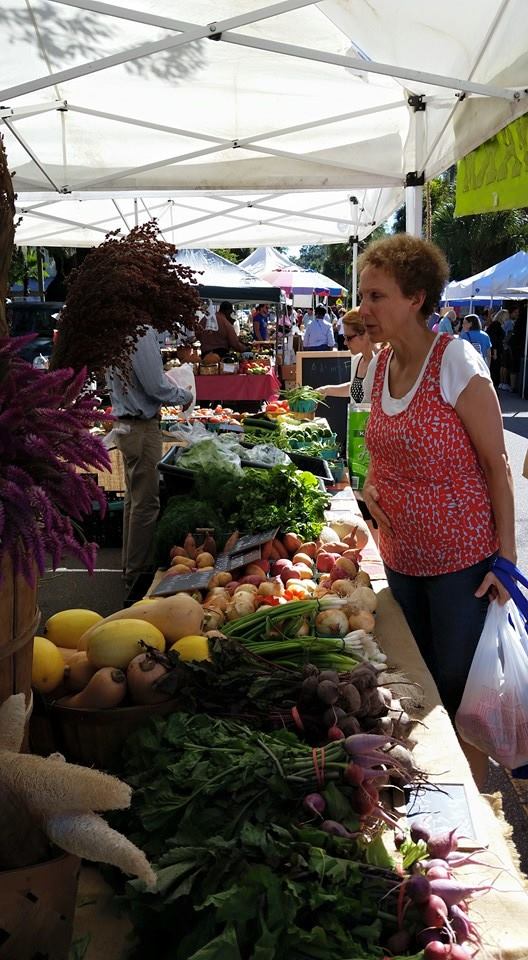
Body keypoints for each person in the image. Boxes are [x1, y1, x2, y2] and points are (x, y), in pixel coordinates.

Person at [358, 233, 515, 788]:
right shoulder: (376, 368)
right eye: (363, 294)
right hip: (401, 555)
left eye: (377, 296)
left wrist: (506, 560)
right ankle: (432, 787)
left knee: (459, 688)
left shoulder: (455, 360)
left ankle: (475, 804)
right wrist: (373, 482)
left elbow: (497, 463)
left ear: (416, 298)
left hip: (462, 564)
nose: (362, 309)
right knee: (413, 683)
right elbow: (381, 446)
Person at [107, 326, 193, 593]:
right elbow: (155, 386)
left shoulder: (119, 329)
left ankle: (130, 569)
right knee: (145, 504)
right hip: (141, 427)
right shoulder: (139, 332)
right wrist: (184, 395)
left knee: (135, 501)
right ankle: (137, 577)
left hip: (127, 424)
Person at [318, 308, 374, 402]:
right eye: (344, 337)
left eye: (348, 338)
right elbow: (353, 387)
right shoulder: (357, 360)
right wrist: (325, 390)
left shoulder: (381, 363)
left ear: (365, 334)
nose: (345, 343)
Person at [487, 308, 507, 389]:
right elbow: (494, 340)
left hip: (495, 350)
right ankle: (493, 387)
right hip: (495, 351)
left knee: (494, 369)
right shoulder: (496, 325)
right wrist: (495, 353)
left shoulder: (495, 324)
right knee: (494, 369)